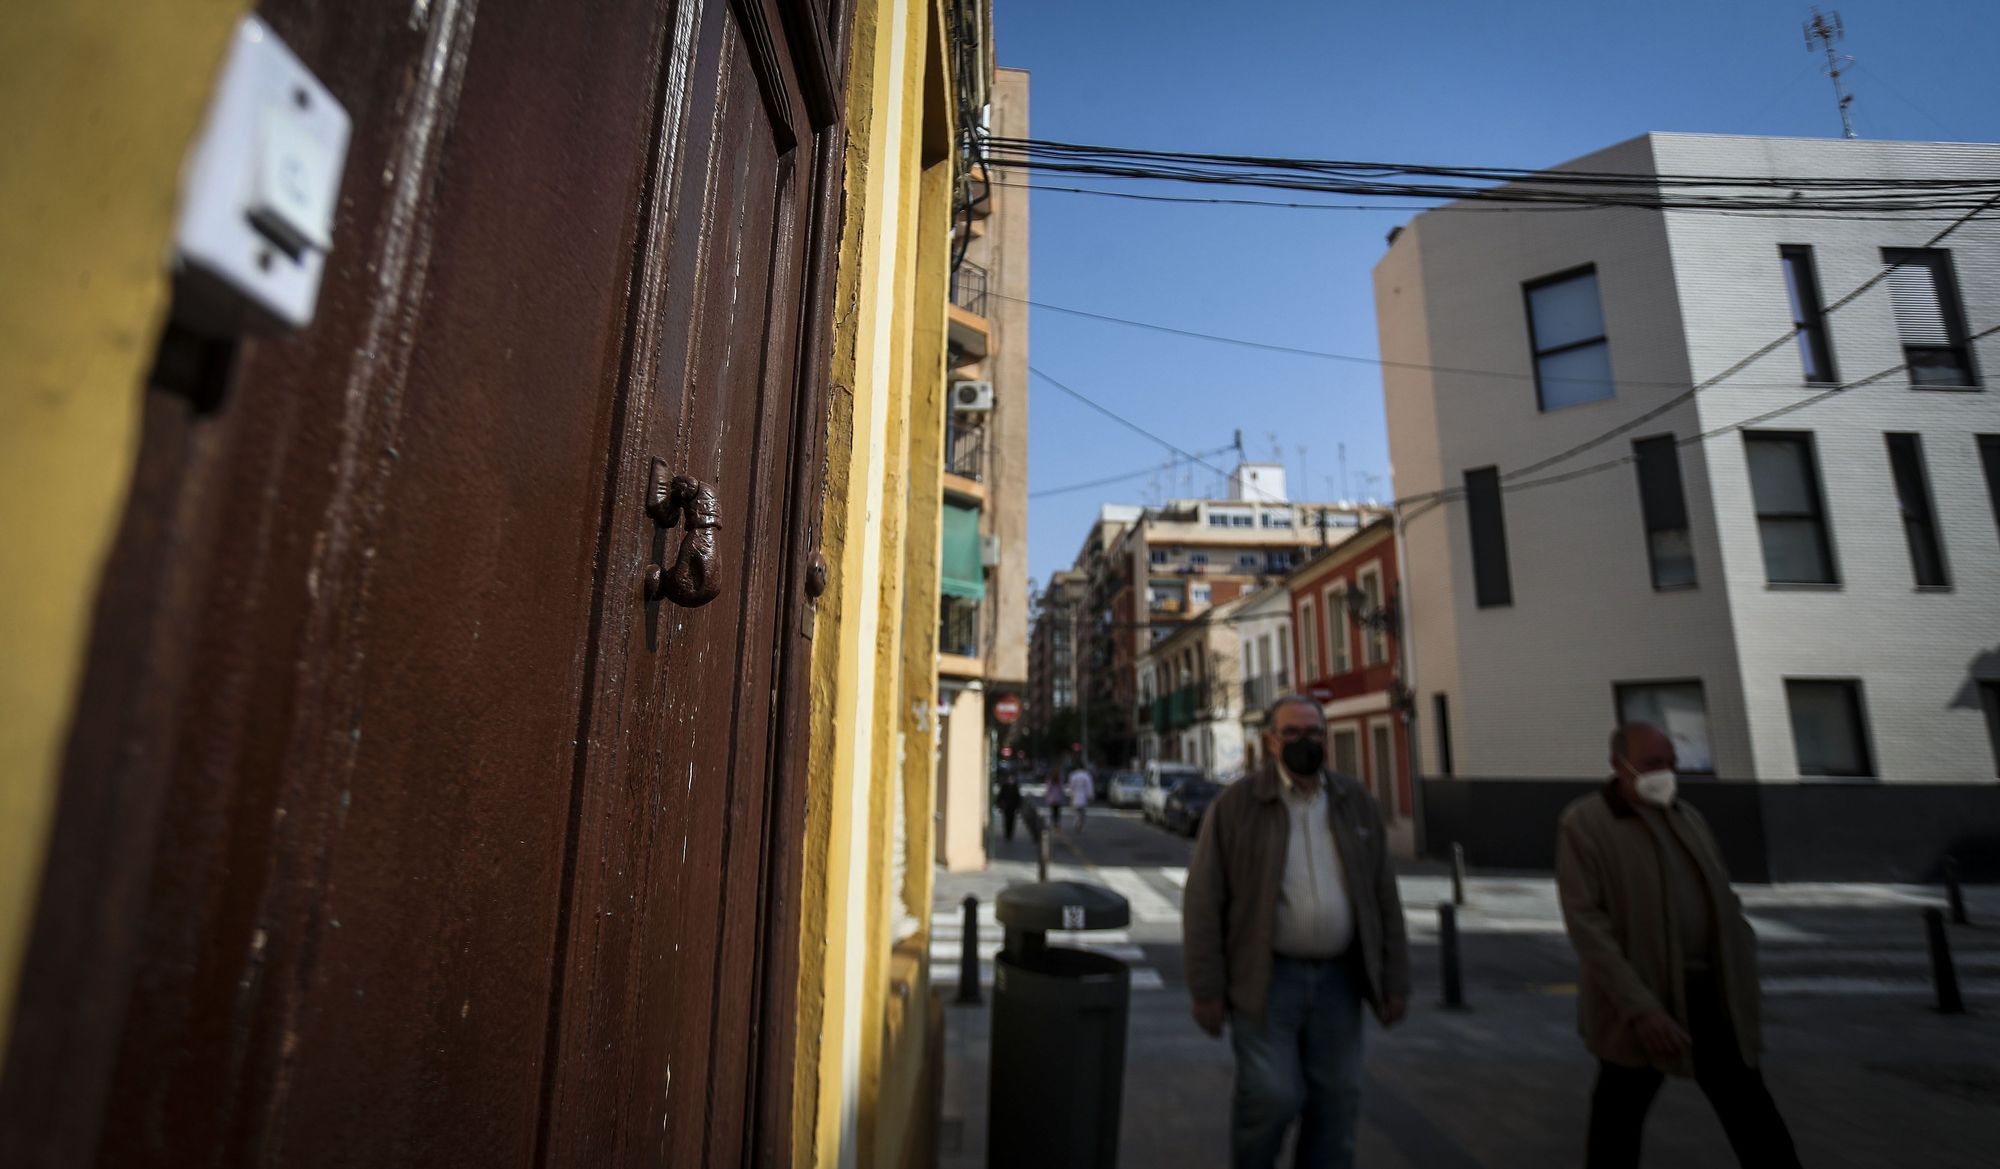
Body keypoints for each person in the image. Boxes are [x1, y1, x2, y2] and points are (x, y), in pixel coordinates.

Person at [1556, 723, 1801, 1169]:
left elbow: (1724, 902)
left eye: (1671, 763)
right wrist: (1640, 1007)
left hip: (1712, 999)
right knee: (1618, 1121)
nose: (1666, 773)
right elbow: (1587, 926)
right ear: (1619, 765)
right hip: (1643, 1005)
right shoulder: (1587, 823)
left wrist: (1740, 968)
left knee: (1753, 1116)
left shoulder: (1687, 817)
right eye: (1653, 764)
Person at [1183, 695, 1410, 1169]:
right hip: (1265, 980)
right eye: (1291, 732)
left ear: (1325, 738)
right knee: (1271, 1095)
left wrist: (1394, 978)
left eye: (1313, 732)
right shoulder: (1237, 806)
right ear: (1270, 741)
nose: (1304, 741)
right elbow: (1204, 901)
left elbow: (1383, 897)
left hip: (1339, 982)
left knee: (1339, 1100)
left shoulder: (1356, 803)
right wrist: (1206, 987)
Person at [1066, 761, 1095, 832]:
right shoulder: (1086, 775)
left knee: (1076, 812)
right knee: (1082, 813)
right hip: (1083, 796)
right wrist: (1090, 795)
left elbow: (1071, 786)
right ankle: (1080, 824)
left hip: (1075, 796)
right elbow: (1089, 787)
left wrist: (1070, 794)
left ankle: (1077, 822)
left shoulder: (1073, 775)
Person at [995, 772, 1023, 841]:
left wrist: (1019, 807)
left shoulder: (1015, 787)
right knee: (1006, 820)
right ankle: (1007, 834)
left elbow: (1018, 797)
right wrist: (999, 804)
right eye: (1009, 778)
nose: (1010, 780)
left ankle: (1010, 834)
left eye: (1011, 778)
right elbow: (1000, 796)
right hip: (1006, 807)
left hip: (1013, 807)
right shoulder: (1004, 786)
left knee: (1012, 821)